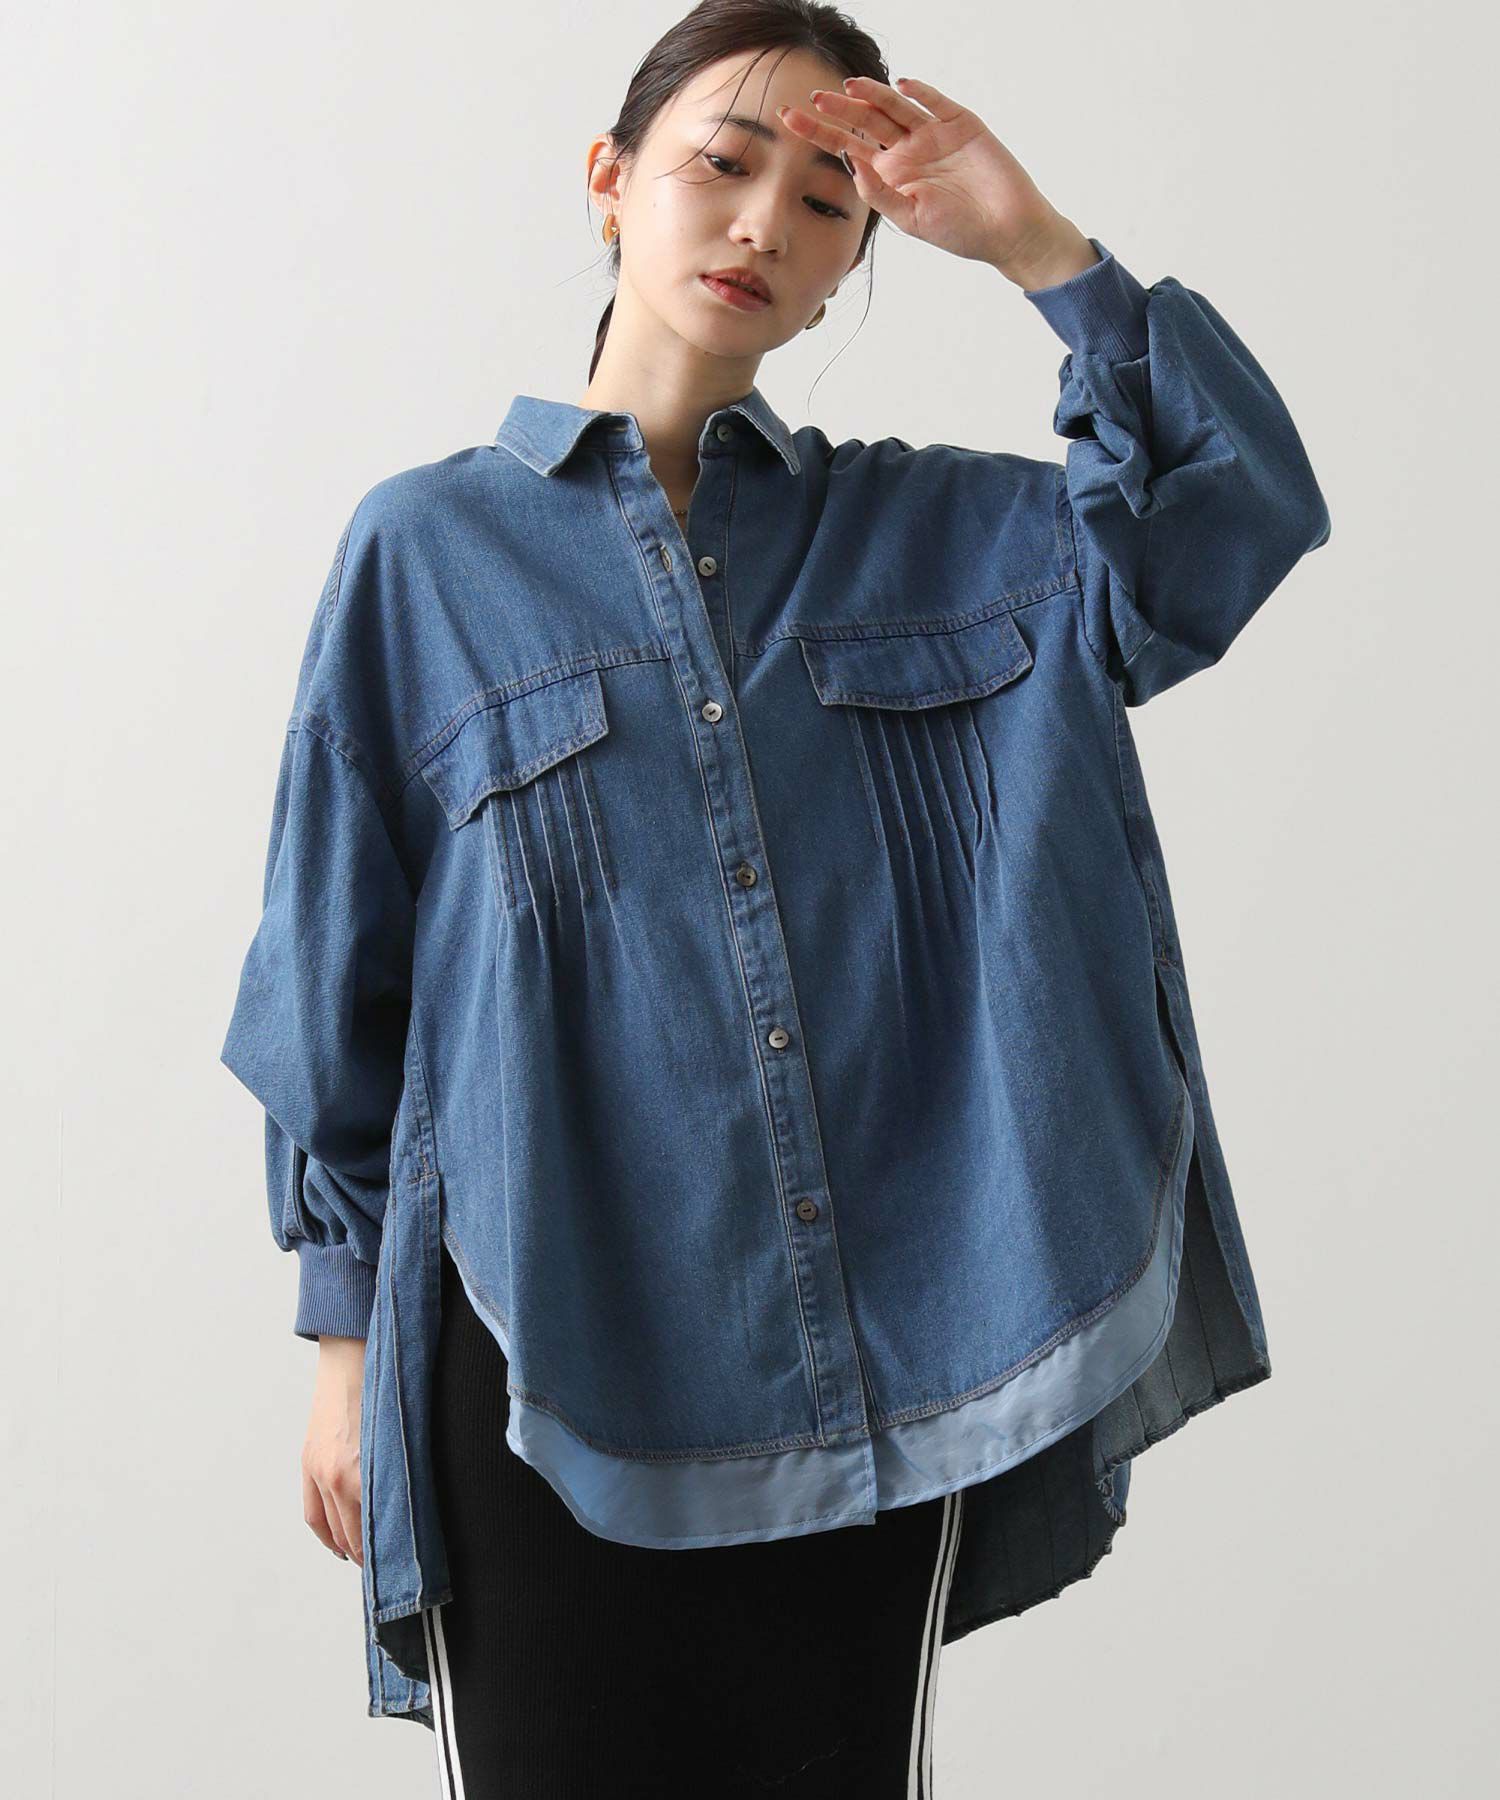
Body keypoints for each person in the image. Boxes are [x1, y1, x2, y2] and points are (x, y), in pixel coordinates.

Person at [220, 3, 1331, 1793]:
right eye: (720, 168)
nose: (761, 227)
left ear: (846, 276)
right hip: (527, 1357)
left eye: (825, 206)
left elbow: (1229, 520)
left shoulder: (947, 544)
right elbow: (336, 977)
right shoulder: (424, 555)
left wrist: (1037, 248)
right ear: (610, 181)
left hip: (874, 1364)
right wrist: (343, 1353)